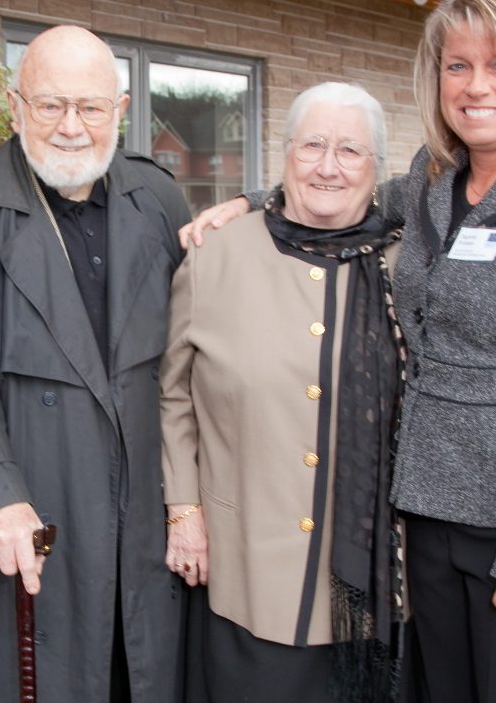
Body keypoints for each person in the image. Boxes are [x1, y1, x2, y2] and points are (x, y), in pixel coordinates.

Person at [183, 0, 496, 703]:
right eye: (456, 66)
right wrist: (247, 202)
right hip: (432, 512)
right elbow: (341, 188)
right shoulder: (434, 183)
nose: (476, 87)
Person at [0, 24, 193, 702]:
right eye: (50, 105)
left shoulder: (156, 199)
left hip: (142, 520)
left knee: (143, 677)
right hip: (29, 510)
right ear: (15, 107)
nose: (71, 127)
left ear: (120, 113)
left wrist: (191, 501)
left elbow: (188, 361)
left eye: (90, 107)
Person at [161, 82, 407, 702]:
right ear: (285, 152)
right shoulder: (215, 253)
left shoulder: (405, 266)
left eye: (350, 151)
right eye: (313, 146)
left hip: (366, 579)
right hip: (246, 570)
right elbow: (173, 396)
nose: (329, 166)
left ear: (376, 168)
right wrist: (183, 511)